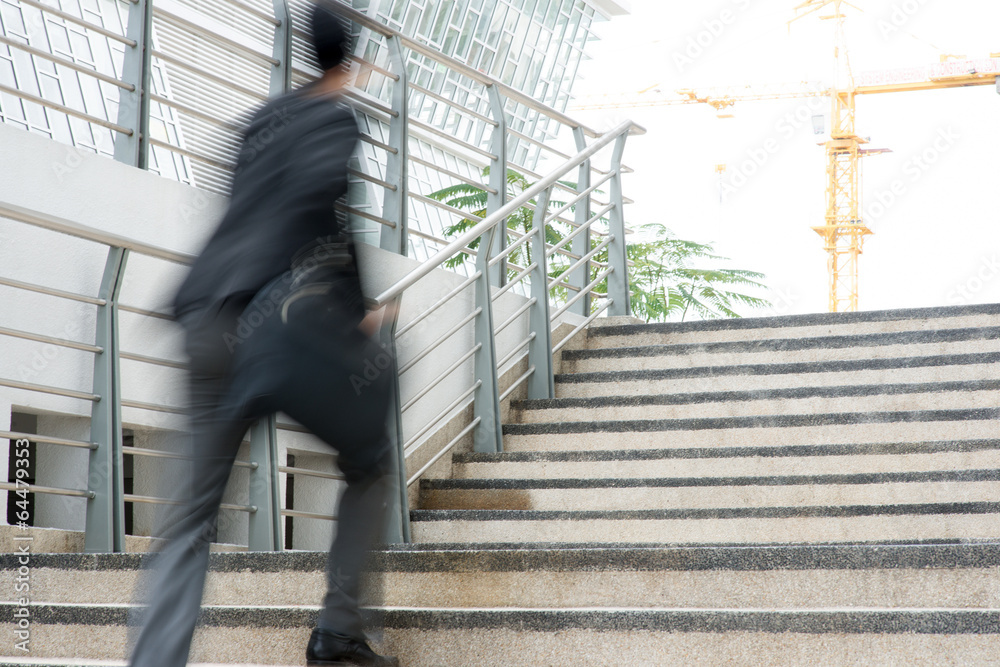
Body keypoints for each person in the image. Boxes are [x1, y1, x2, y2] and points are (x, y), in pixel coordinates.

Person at [128, 3, 399, 666]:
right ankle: (337, 629)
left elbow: (251, 213)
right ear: (356, 61)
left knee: (188, 519)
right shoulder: (336, 118)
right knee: (370, 458)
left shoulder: (260, 119)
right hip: (279, 330)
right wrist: (356, 307)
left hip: (206, 318)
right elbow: (321, 203)